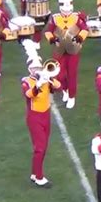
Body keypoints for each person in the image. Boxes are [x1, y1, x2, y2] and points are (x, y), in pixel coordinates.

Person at [21, 56, 61, 188]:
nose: (36, 70)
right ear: (29, 69)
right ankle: (39, 177)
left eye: (38, 67)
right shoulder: (26, 81)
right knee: (40, 147)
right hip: (34, 117)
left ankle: (34, 173)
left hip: (46, 115)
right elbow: (28, 95)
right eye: (34, 68)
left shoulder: (46, 79)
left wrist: (48, 79)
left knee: (44, 147)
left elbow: (58, 87)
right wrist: (38, 84)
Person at [44, 0, 88, 109]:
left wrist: (80, 37)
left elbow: (84, 29)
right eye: (65, 11)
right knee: (59, 73)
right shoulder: (55, 18)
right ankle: (64, 90)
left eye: (68, 11)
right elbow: (48, 31)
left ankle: (72, 97)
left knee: (72, 74)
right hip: (59, 49)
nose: (67, 13)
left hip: (73, 49)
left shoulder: (76, 18)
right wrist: (52, 38)